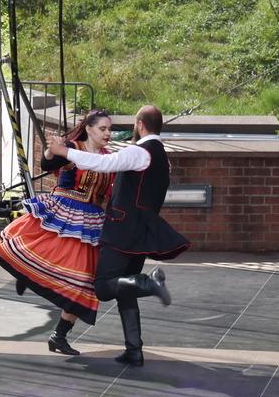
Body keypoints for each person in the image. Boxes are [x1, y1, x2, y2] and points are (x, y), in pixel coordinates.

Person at [48, 105, 190, 367]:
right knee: (126, 291)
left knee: (103, 286)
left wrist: (64, 151)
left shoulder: (139, 152)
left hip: (122, 230)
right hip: (142, 233)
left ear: (140, 125)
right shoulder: (162, 156)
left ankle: (148, 283)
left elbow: (103, 164)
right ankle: (134, 349)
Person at [0, 109, 114, 356]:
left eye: (110, 129)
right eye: (103, 128)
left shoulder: (109, 158)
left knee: (83, 283)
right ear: (89, 129)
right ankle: (27, 274)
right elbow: (47, 164)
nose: (108, 133)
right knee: (36, 249)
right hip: (64, 211)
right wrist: (52, 150)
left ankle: (59, 336)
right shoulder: (73, 148)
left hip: (90, 222)